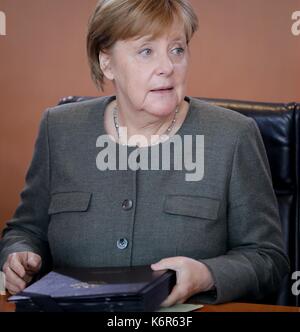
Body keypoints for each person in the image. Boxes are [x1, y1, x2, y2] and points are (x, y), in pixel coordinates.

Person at [0, 0, 289, 307]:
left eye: (177, 49)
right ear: (106, 62)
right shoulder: (59, 129)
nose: (167, 67)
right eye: (146, 51)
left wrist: (207, 274)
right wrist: (19, 254)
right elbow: (26, 230)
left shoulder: (233, 135)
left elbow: (268, 258)